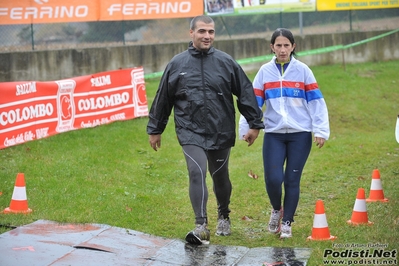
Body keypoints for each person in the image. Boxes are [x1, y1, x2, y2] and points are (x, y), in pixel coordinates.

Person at [146, 15, 264, 245]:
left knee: (220, 176)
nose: (207, 36)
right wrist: (155, 128)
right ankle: (201, 225)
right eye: (202, 31)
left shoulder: (226, 62)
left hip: (221, 129)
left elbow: (246, 92)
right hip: (190, 130)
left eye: (211, 31)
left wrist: (254, 123)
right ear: (191, 33)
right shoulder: (177, 64)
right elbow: (163, 98)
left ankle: (224, 215)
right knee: (196, 171)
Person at [239, 28, 330, 238]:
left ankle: (287, 223)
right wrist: (247, 128)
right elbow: (253, 104)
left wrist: (320, 130)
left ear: (293, 47)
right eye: (278, 45)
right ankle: (276, 210)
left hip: (300, 134)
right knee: (273, 179)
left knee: (291, 180)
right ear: (272, 47)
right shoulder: (264, 72)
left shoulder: (303, 71)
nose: (282, 50)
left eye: (286, 45)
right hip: (274, 134)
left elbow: (316, 102)